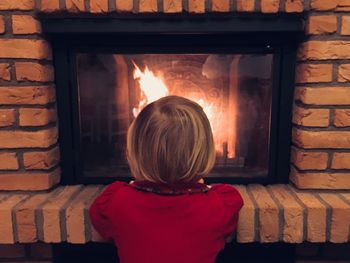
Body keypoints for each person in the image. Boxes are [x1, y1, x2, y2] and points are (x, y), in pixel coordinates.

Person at [89, 96, 244, 263]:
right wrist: (199, 186)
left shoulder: (117, 201)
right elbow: (230, 215)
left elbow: (100, 220)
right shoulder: (218, 205)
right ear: (203, 152)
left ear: (136, 151)